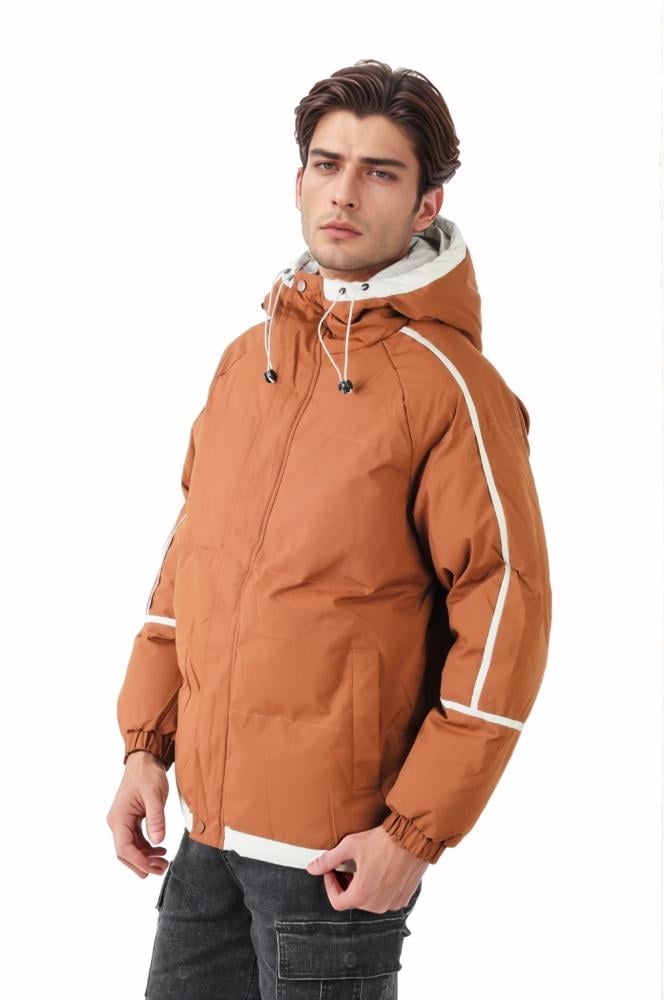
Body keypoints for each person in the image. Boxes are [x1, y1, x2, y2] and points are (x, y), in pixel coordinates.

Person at [107, 58, 553, 999]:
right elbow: (189, 562)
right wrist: (146, 744)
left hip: (332, 863)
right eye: (327, 163)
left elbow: (505, 616)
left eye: (380, 172)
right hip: (204, 842)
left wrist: (414, 835)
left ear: (427, 204)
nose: (345, 192)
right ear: (299, 178)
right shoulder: (247, 361)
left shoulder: (452, 388)